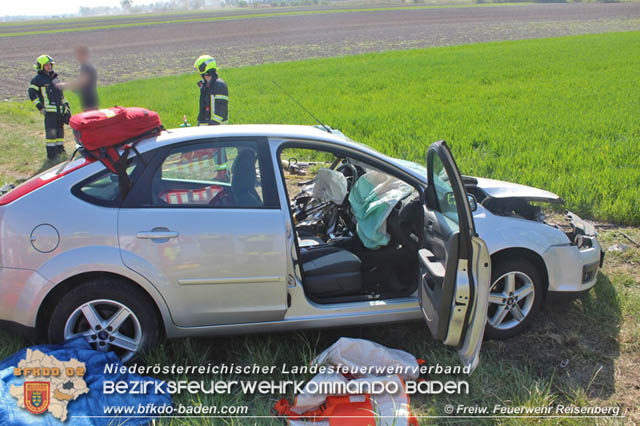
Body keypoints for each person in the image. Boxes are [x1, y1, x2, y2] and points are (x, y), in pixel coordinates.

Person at [28, 55, 70, 160]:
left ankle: (60, 150)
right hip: (49, 112)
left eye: (50, 65)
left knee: (60, 131)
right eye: (46, 65)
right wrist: (40, 107)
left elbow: (61, 95)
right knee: (51, 133)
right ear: (41, 66)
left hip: (59, 111)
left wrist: (66, 106)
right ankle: (52, 156)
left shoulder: (55, 78)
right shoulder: (38, 80)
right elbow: (32, 94)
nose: (49, 67)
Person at [55, 46, 99, 111]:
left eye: (78, 54)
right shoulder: (85, 66)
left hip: (90, 100)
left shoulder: (87, 66)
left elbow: (83, 82)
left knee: (91, 118)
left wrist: (64, 85)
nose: (76, 57)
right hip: (87, 99)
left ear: (84, 55)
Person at [193, 55, 228, 126]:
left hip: (217, 129)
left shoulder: (219, 85)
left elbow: (222, 108)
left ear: (203, 68)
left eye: (199, 69)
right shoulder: (205, 86)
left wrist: (213, 124)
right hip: (206, 128)